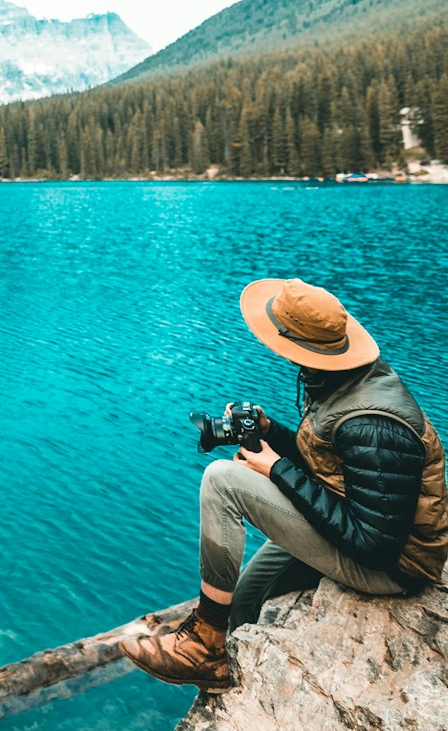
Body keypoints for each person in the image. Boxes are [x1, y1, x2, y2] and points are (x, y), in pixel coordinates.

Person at [122, 277, 448, 694]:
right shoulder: (346, 378)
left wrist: (276, 469)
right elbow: (336, 467)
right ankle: (215, 672)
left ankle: (203, 646)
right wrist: (270, 430)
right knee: (242, 599)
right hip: (351, 522)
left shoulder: (374, 425)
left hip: (394, 567)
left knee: (223, 480)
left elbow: (376, 543)